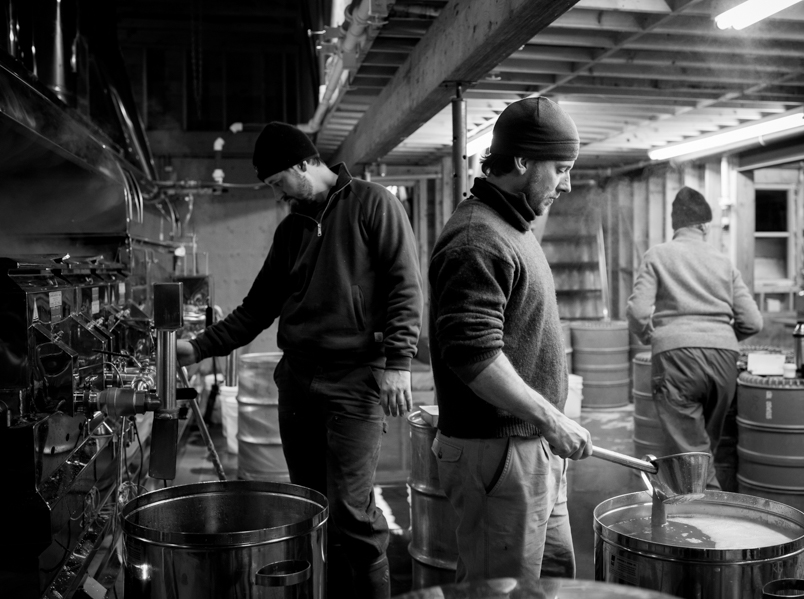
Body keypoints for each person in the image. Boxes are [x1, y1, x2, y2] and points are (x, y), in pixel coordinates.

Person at [176, 122, 423, 599]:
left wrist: (398, 362)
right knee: (309, 506)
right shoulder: (291, 230)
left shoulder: (374, 204)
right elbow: (256, 308)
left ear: (303, 165)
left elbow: (404, 287)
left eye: (276, 183)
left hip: (355, 381)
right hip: (297, 381)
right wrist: (198, 347)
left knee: (351, 511)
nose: (276, 195)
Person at [428, 97, 593, 582]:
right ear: (522, 161)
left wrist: (548, 425)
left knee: (554, 577)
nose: (567, 184)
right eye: (561, 168)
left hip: (528, 444)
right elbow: (473, 355)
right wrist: (551, 418)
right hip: (497, 453)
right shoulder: (478, 238)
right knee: (499, 589)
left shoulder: (510, 227)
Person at [626, 186, 763, 490]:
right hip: (724, 358)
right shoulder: (724, 262)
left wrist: (655, 336)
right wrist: (723, 336)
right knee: (704, 446)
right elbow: (753, 321)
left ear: (676, 225)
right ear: (703, 225)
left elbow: (637, 312)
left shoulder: (658, 255)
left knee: (692, 452)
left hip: (675, 358)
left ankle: (709, 517)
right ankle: (703, 508)